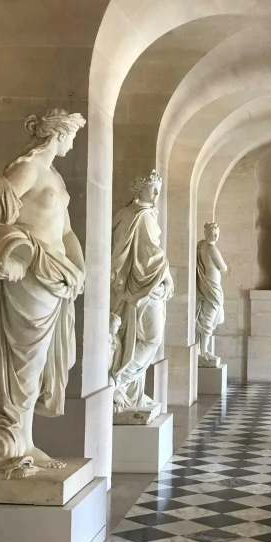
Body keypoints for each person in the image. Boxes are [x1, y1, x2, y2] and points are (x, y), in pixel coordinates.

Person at [0, 108, 86, 478]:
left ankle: (25, 439)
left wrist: (79, 267)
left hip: (56, 277)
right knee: (23, 367)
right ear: (57, 134)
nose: (74, 142)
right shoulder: (28, 168)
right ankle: (12, 443)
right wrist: (10, 252)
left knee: (36, 369)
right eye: (71, 135)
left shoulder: (53, 174)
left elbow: (67, 231)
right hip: (31, 276)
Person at [110, 170, 174, 415]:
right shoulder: (143, 215)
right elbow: (151, 256)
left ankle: (131, 394)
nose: (157, 194)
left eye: (158, 189)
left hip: (132, 287)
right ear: (139, 190)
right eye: (152, 188)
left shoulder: (125, 213)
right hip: (145, 287)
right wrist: (167, 275)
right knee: (151, 338)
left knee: (134, 338)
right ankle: (119, 382)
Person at [196, 222, 227, 364]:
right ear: (206, 234)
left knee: (209, 315)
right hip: (211, 285)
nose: (215, 235)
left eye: (217, 233)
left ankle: (203, 349)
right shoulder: (211, 247)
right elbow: (224, 267)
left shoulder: (202, 246)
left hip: (210, 283)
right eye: (213, 232)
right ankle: (203, 350)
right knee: (209, 316)